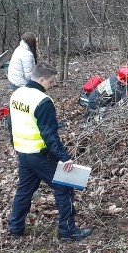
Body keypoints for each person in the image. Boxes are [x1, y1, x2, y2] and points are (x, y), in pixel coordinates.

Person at [7, 63, 92, 242]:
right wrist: (64, 157)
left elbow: (10, 123)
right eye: (51, 81)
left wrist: (15, 144)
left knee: (24, 191)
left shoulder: (17, 94)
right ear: (41, 79)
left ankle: (15, 228)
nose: (52, 85)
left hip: (23, 152)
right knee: (64, 186)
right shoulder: (42, 101)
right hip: (40, 154)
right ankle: (68, 231)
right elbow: (49, 133)